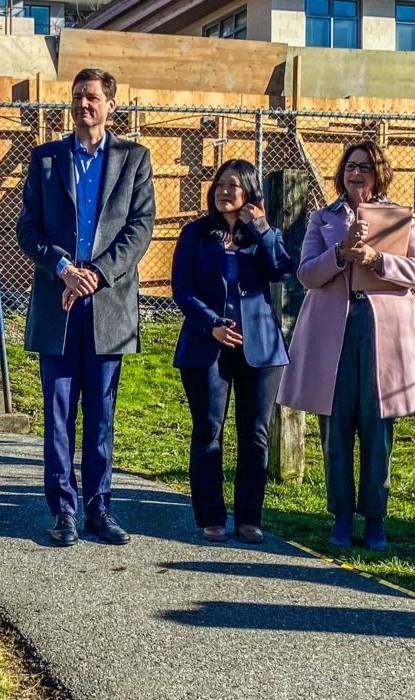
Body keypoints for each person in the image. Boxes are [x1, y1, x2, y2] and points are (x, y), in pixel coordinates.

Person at [16, 68, 156, 547]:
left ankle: (100, 509)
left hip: (107, 306)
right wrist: (63, 268)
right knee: (58, 416)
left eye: (92, 97)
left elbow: (140, 227)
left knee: (100, 415)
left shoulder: (135, 159)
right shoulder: (46, 159)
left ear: (111, 105)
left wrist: (95, 273)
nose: (83, 104)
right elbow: (28, 229)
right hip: (57, 305)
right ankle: (63, 512)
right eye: (77, 96)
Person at [277, 140, 415, 552]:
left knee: (377, 429)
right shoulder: (322, 218)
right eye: (350, 166)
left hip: (383, 335)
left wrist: (377, 260)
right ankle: (341, 518)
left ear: (378, 173)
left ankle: (376, 520)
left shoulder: (399, 218)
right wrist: (341, 253)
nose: (356, 173)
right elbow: (306, 275)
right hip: (333, 334)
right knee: (337, 427)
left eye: (364, 166)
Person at [171, 159, 293, 545]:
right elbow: (182, 289)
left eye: (234, 185)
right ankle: (211, 517)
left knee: (255, 434)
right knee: (208, 430)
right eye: (220, 183)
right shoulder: (195, 233)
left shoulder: (262, 234)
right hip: (207, 344)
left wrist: (263, 229)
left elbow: (281, 269)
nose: (224, 191)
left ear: (250, 193)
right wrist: (212, 324)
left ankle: (249, 519)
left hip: (261, 348)